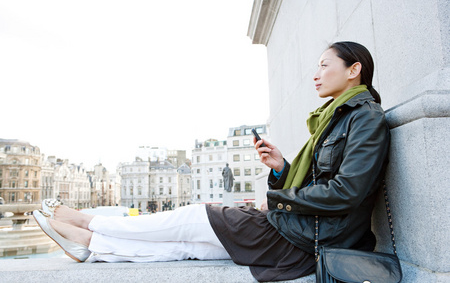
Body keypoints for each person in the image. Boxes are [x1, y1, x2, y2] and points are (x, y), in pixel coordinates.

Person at [33, 41, 389, 282]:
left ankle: (89, 222)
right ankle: (92, 247)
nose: (316, 74)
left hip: (309, 239)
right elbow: (318, 180)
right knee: (191, 247)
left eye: (325, 66)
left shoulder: (365, 117)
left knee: (193, 217)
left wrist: (279, 199)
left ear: (354, 69)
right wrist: (281, 167)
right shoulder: (335, 118)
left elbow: (348, 190)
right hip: (303, 230)